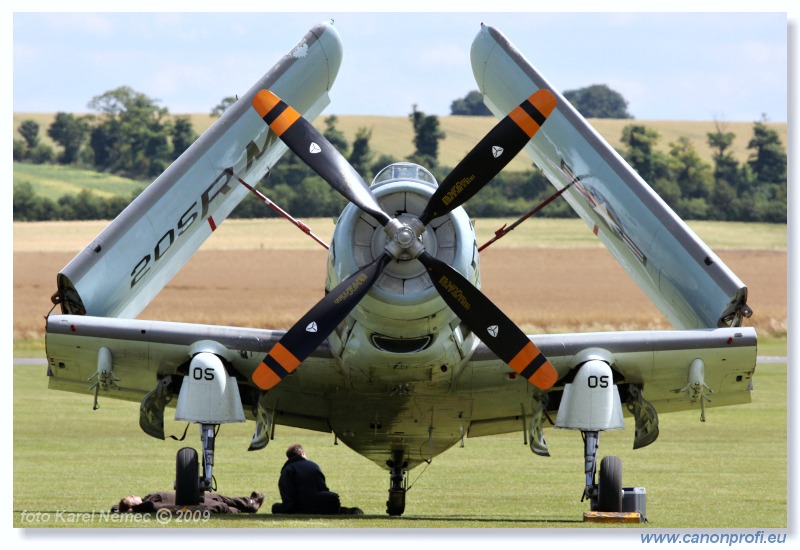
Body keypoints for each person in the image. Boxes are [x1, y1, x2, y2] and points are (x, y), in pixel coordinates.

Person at [271, 443, 362, 515]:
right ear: (302, 453)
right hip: (319, 503)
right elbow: (323, 489)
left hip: (300, 507)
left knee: (275, 507)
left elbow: (288, 495)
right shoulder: (314, 465)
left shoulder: (287, 470)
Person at [113, 490, 264, 514]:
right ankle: (250, 506)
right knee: (222, 506)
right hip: (192, 504)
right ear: (133, 506)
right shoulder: (147, 506)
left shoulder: (147, 499)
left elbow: (118, 508)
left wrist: (118, 509)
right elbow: (141, 508)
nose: (133, 495)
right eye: (131, 498)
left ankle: (250, 502)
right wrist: (127, 511)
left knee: (218, 497)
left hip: (190, 495)